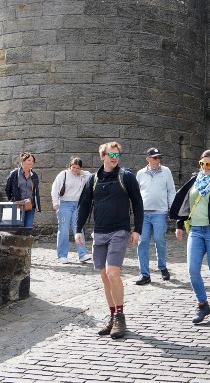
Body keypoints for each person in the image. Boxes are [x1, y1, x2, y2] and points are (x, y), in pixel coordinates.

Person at [75, 141, 143, 340]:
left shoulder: (126, 177)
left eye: (117, 155)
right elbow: (84, 205)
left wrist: (137, 229)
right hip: (100, 232)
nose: (115, 158)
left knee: (113, 274)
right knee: (104, 276)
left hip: (119, 231)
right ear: (102, 156)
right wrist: (78, 230)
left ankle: (120, 317)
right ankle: (112, 315)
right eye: (111, 155)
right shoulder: (93, 179)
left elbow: (138, 203)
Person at [169, 150, 210, 326]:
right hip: (196, 230)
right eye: (202, 164)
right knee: (192, 270)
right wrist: (179, 224)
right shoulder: (195, 180)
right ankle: (202, 304)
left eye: (208, 164)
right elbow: (185, 203)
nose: (204, 167)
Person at [135, 147, 176, 285]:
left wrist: (172, 209)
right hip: (144, 213)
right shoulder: (140, 173)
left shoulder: (166, 171)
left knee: (159, 239)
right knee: (143, 242)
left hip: (160, 212)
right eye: (155, 157)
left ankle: (162, 267)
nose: (158, 160)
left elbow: (171, 191)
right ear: (148, 159)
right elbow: (136, 195)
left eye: (159, 157)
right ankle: (144, 274)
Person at [51, 157, 92, 264]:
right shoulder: (63, 174)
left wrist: (81, 172)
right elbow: (55, 188)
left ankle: (82, 254)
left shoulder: (83, 175)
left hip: (77, 204)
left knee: (78, 229)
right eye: (73, 167)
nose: (75, 170)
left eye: (77, 168)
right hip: (64, 204)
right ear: (69, 166)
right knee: (64, 230)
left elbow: (91, 177)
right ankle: (62, 255)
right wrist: (55, 203)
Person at [5, 151, 41, 228]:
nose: (31, 162)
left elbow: (36, 190)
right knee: (16, 227)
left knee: (28, 227)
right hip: (18, 204)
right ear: (23, 161)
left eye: (32, 161)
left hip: (30, 205)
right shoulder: (14, 174)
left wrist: (36, 203)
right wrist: (13, 200)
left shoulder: (34, 175)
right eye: (29, 160)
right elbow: (8, 189)